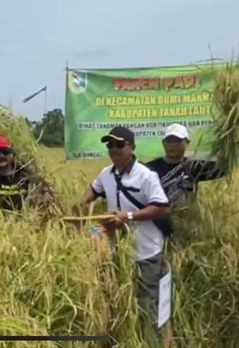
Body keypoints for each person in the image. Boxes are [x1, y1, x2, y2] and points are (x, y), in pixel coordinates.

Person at [73, 126, 171, 332]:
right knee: (116, 297)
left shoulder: (146, 175)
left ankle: (149, 340)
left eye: (119, 145)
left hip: (145, 251)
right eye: (110, 145)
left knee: (146, 303)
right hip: (115, 251)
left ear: (132, 147)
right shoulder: (106, 174)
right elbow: (93, 191)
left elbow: (163, 207)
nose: (114, 149)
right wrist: (81, 207)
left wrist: (128, 216)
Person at [146, 123, 226, 211]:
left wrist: (228, 141)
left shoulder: (194, 167)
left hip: (185, 220)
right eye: (169, 141)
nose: (172, 145)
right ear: (163, 143)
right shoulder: (149, 168)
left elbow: (224, 168)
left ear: (187, 143)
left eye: (177, 141)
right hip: (157, 219)